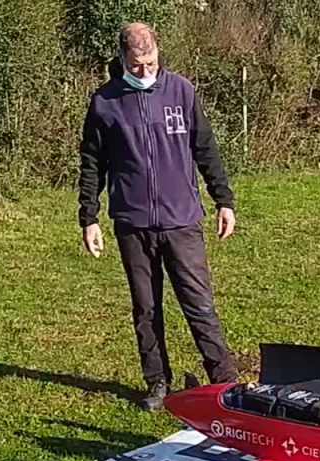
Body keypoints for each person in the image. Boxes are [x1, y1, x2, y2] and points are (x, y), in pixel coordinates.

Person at [78, 22, 239, 411]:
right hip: (132, 223)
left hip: (181, 219)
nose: (145, 72)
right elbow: (91, 164)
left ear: (158, 53)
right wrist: (89, 216)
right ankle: (157, 382)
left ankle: (224, 380)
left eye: (150, 63)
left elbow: (205, 148)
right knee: (146, 308)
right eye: (136, 66)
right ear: (121, 59)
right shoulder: (104, 103)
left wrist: (224, 199)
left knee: (198, 302)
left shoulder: (182, 91)